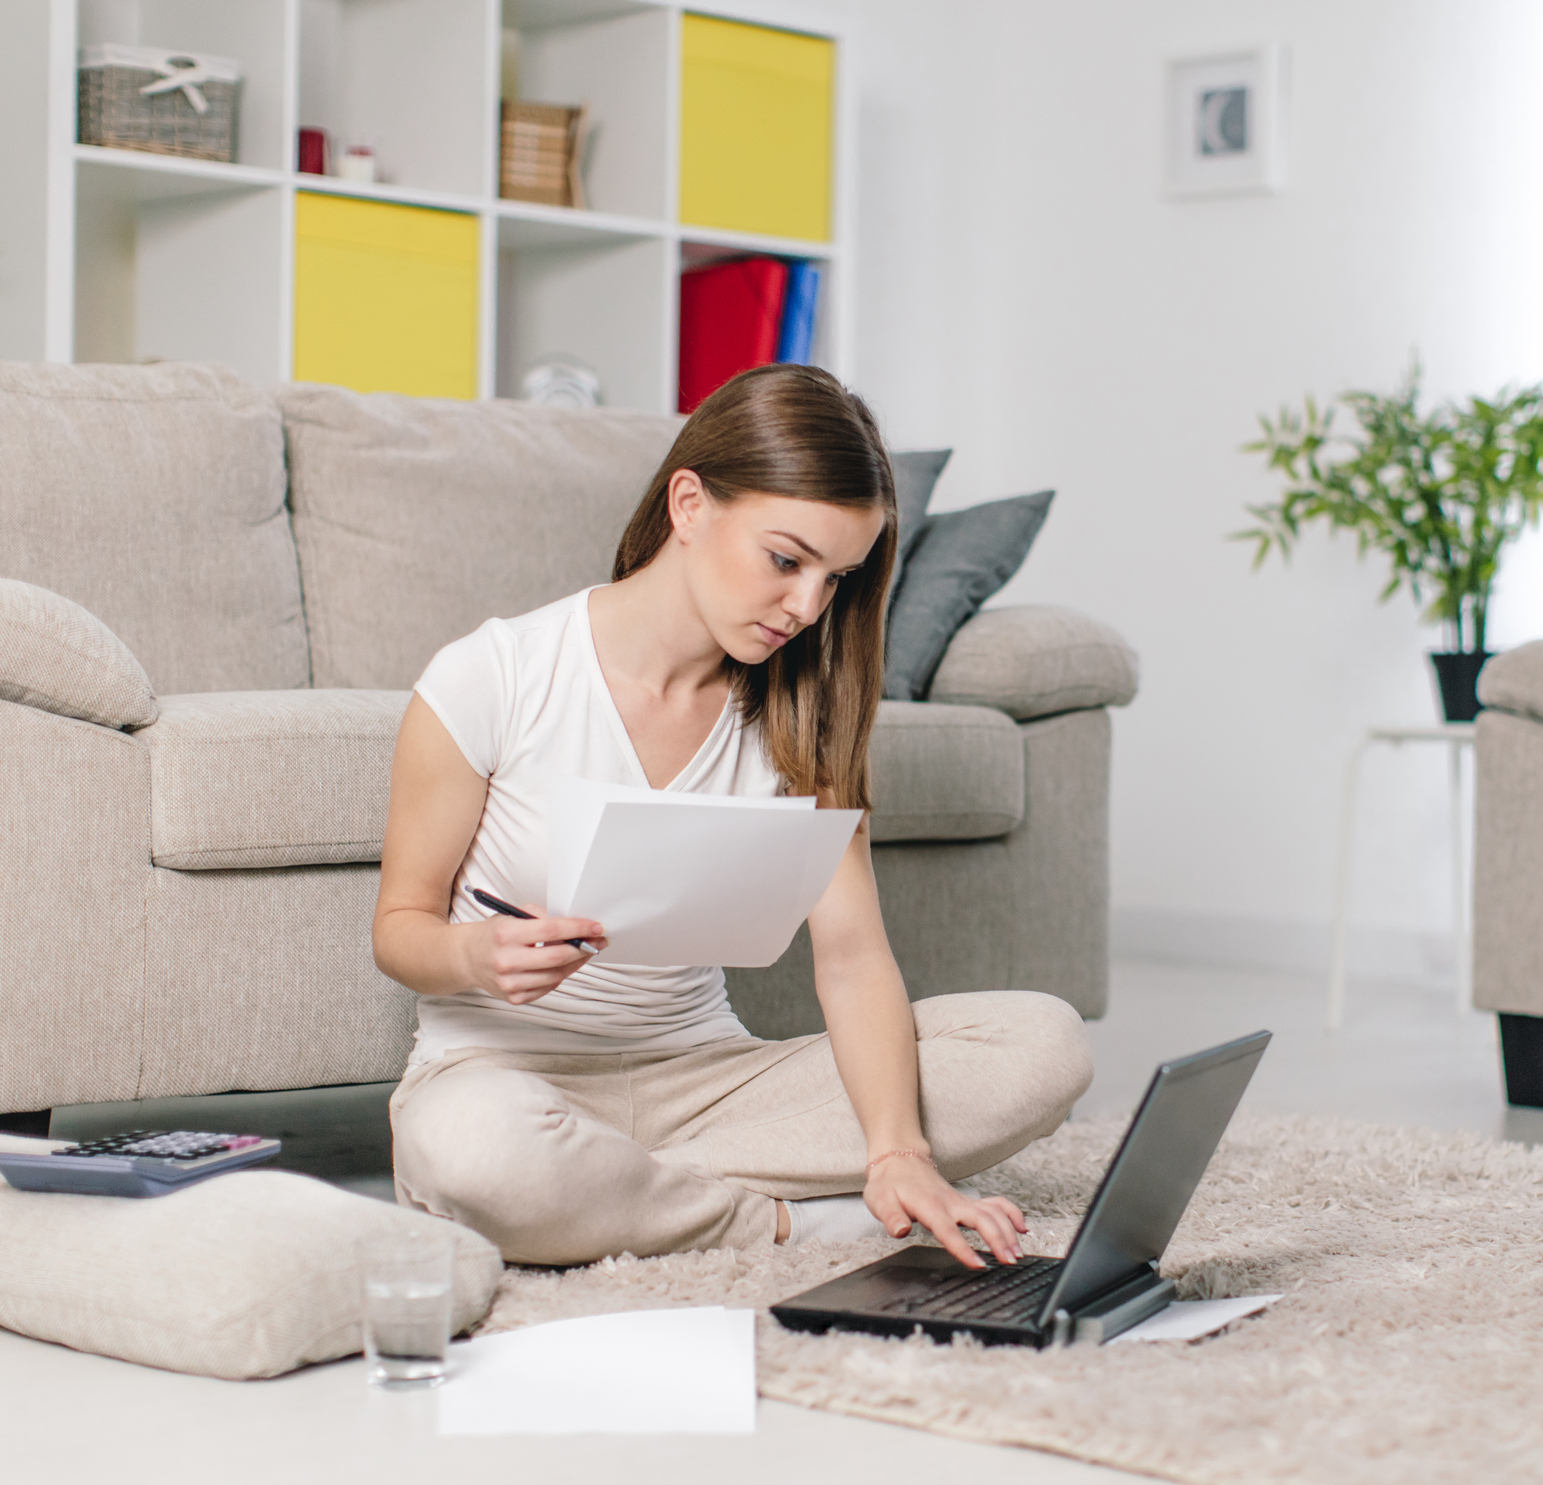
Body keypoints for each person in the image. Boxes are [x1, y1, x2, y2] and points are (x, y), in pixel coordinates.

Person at [372, 364, 1092, 1269]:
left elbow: (853, 953)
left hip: (709, 1085)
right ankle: (786, 1221)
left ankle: (618, 1193)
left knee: (1044, 1045)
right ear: (688, 503)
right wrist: (473, 954)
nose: (807, 606)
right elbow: (400, 928)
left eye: (837, 579)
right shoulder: (494, 675)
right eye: (786, 560)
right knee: (480, 1150)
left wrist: (897, 1150)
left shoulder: (800, 713)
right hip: (503, 1078)